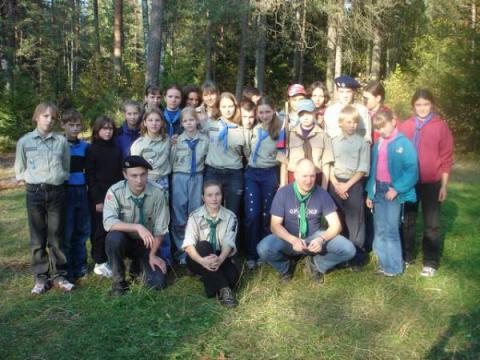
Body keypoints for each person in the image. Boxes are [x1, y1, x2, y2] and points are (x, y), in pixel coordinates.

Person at [257, 159, 356, 283]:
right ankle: (286, 267)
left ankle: (316, 265)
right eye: (304, 176)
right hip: (289, 238)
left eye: (312, 176)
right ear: (296, 175)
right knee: (263, 248)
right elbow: (274, 226)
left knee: (348, 249)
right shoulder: (283, 193)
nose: (309, 181)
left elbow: (336, 225)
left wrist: (321, 239)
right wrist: (292, 240)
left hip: (314, 237)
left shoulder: (322, 194)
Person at [15, 101, 74, 294]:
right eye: (45, 116)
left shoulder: (61, 142)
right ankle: (41, 277)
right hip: (34, 193)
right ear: (36, 117)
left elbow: (66, 167)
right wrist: (32, 181)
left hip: (56, 192)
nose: (49, 120)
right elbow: (20, 168)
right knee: (37, 237)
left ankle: (60, 275)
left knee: (56, 235)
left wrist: (57, 179)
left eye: (53, 117)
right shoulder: (25, 141)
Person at [398, 89, 454, 277]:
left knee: (432, 223)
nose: (422, 108)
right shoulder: (405, 126)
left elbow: (446, 158)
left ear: (432, 105)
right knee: (408, 220)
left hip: (432, 183)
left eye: (426, 104)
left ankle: (430, 261)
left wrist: (444, 186)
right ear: (413, 106)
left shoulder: (441, 127)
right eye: (418, 104)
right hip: (409, 182)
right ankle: (407, 256)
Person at [103, 155, 170, 296]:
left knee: (158, 283)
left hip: (147, 244)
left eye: (143, 174)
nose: (139, 180)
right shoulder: (115, 191)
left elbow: (160, 229)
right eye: (134, 176)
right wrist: (137, 227)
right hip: (124, 240)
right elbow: (108, 222)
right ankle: (119, 282)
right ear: (125, 174)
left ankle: (136, 267)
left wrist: (153, 255)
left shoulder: (158, 192)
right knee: (113, 238)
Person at [366, 110, 418, 276]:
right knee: (379, 229)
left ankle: (394, 268)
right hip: (378, 190)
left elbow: (412, 171)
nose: (381, 131)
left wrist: (397, 188)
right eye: (378, 128)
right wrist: (370, 192)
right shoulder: (378, 143)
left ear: (393, 121)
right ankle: (383, 264)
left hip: (393, 191)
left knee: (391, 230)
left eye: (384, 126)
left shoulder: (404, 143)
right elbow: (373, 169)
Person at [182, 180, 239, 307]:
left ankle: (210, 281)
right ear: (203, 197)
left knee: (233, 278)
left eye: (217, 194)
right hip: (198, 257)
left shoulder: (231, 217)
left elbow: (228, 244)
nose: (214, 199)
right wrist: (202, 261)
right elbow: (188, 245)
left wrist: (219, 260)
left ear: (222, 195)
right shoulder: (194, 216)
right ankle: (225, 291)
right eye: (209, 195)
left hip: (220, 256)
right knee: (203, 245)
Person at [329, 105, 370, 271]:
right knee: (338, 219)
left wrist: (346, 185)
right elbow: (328, 164)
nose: (352, 125)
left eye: (355, 122)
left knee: (355, 221)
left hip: (353, 183)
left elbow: (362, 168)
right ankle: (340, 254)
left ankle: (357, 257)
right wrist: (336, 184)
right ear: (340, 123)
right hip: (335, 183)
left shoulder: (363, 143)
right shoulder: (333, 141)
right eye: (348, 122)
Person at [130, 107, 172, 264]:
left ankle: (165, 258)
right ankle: (144, 256)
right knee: (146, 219)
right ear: (145, 123)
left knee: (163, 220)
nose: (154, 123)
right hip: (146, 183)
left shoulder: (168, 140)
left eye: (157, 120)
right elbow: (133, 168)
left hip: (163, 182)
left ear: (162, 123)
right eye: (150, 120)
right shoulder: (138, 144)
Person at [243, 97, 281, 270]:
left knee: (267, 215)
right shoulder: (254, 129)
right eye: (261, 112)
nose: (264, 115)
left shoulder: (280, 130)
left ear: (274, 111)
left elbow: (283, 157)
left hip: (269, 174)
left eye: (268, 112)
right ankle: (251, 253)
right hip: (252, 173)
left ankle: (264, 252)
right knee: (252, 214)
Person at [86, 116, 123, 279]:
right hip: (100, 196)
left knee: (113, 227)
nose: (107, 132)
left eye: (110, 129)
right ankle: (99, 262)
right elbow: (90, 176)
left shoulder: (116, 148)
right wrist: (97, 200)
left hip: (115, 194)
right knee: (99, 229)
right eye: (104, 128)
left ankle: (110, 259)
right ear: (97, 130)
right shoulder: (92, 149)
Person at [170, 107, 209, 264]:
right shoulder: (176, 140)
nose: (189, 123)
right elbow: (171, 161)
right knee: (179, 214)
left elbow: (207, 160)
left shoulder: (205, 140)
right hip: (180, 178)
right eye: (185, 121)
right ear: (181, 123)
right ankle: (181, 253)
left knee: (196, 214)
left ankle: (196, 251)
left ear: (197, 121)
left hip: (197, 178)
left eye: (191, 120)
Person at [204, 92, 246, 218]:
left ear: (235, 106)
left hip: (234, 173)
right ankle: (212, 238)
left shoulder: (242, 127)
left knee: (233, 213)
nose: (227, 110)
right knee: (211, 211)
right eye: (224, 107)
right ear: (219, 108)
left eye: (230, 106)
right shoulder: (210, 125)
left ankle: (231, 238)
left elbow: (247, 151)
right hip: (213, 171)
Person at [60, 109, 90, 283]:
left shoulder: (85, 147)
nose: (75, 128)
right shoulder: (58, 144)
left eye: (78, 125)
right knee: (67, 230)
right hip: (65, 191)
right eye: (71, 125)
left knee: (82, 230)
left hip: (82, 190)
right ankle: (66, 268)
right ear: (63, 125)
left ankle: (80, 266)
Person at [286, 99, 334, 189]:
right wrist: (283, 184)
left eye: (309, 113)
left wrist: (324, 188)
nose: (306, 117)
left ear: (315, 113)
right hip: (294, 179)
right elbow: (284, 162)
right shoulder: (290, 134)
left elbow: (326, 164)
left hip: (316, 178)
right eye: (302, 115)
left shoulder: (323, 135)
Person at [324, 75, 371, 143]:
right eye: (341, 92)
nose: (345, 96)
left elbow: (367, 139)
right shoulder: (330, 111)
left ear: (353, 92)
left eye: (348, 92)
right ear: (337, 92)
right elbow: (326, 137)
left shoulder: (362, 111)